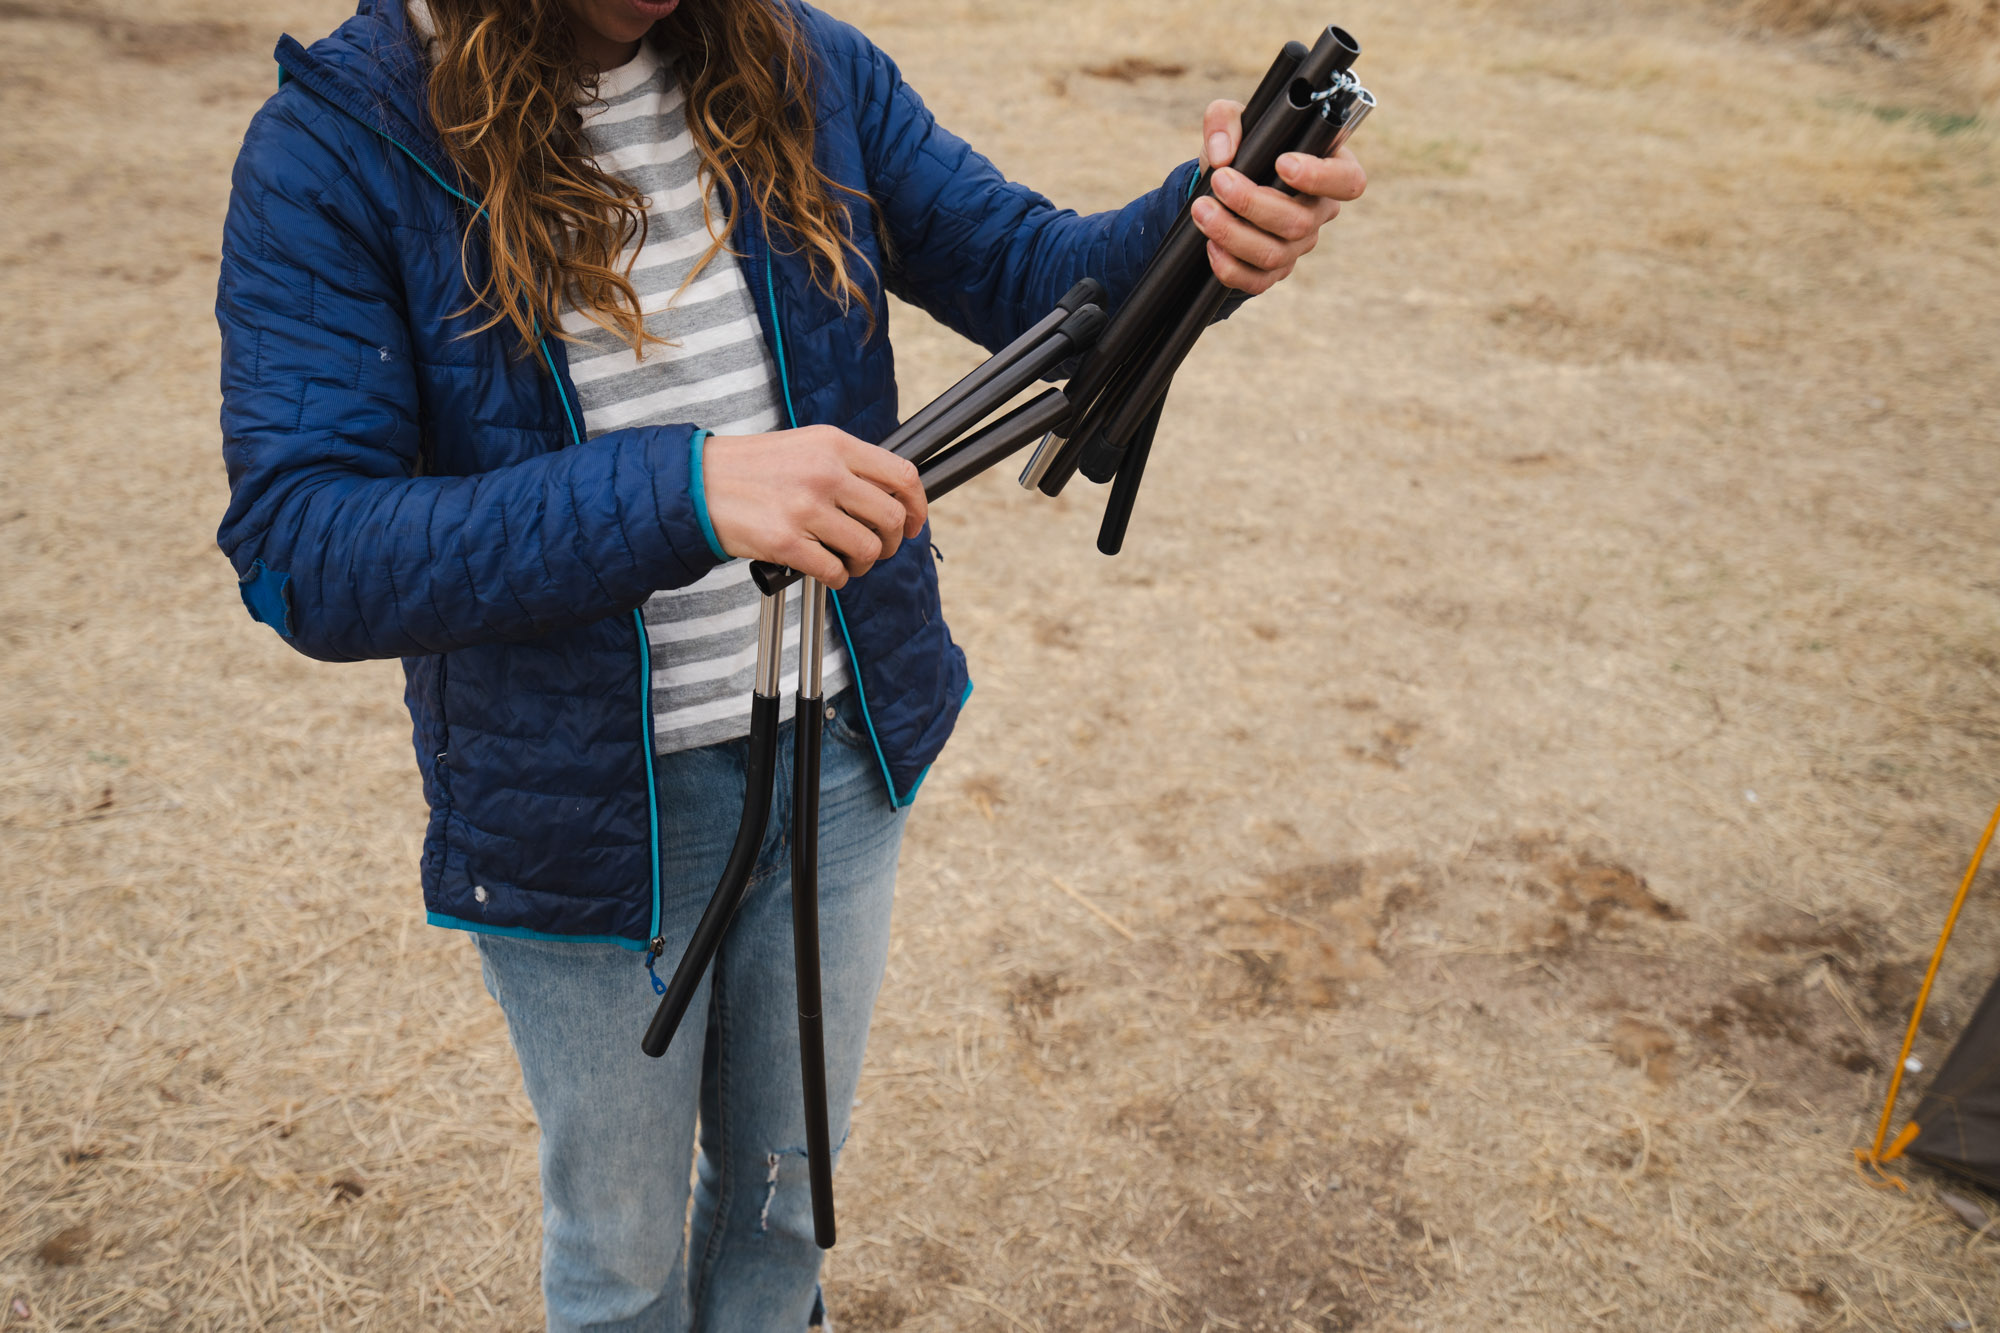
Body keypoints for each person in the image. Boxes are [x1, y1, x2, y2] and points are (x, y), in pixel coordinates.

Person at [214, 0, 1364, 1327]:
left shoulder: (804, 64)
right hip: (585, 815)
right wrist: (685, 489)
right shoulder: (339, 145)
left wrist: (1208, 225)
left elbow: (1036, 272)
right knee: (625, 1260)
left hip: (834, 762)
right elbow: (307, 545)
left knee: (783, 1210)